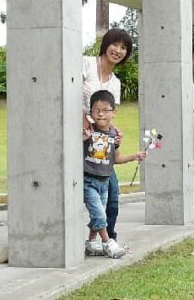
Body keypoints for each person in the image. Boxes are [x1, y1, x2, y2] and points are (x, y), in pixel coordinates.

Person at [81, 28, 134, 246]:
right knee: (89, 193)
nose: (119, 51)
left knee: (111, 197)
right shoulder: (85, 64)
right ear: (106, 44)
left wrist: (115, 132)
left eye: (124, 48)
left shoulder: (115, 83)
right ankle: (105, 241)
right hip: (79, 140)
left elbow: (109, 116)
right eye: (116, 44)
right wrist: (83, 120)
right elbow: (66, 93)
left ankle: (106, 240)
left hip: (101, 147)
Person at [83, 90, 146, 259]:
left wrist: (135, 156)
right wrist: (83, 138)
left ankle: (90, 243)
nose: (101, 113)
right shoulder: (87, 131)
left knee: (99, 214)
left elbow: (115, 159)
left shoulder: (114, 135)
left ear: (114, 113)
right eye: (96, 110)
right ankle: (108, 243)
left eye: (105, 110)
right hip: (88, 180)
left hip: (104, 181)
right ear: (91, 112)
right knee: (99, 214)